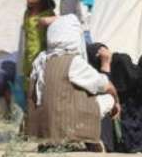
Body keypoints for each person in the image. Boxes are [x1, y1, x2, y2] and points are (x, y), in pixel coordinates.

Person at [26, 15, 120, 146]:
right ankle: (79, 139)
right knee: (107, 98)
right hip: (66, 124)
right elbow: (105, 85)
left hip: (41, 128)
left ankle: (51, 140)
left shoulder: (40, 60)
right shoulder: (72, 62)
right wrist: (116, 101)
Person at [17, 0, 56, 98]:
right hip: (27, 62)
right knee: (27, 93)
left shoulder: (48, 16)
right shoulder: (27, 14)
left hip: (41, 63)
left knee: (39, 95)